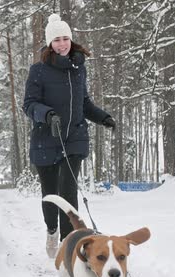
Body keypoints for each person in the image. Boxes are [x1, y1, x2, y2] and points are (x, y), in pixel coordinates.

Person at [23, 13, 116, 258]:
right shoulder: (39, 70)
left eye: (65, 38)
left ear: (71, 40)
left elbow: (84, 103)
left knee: (68, 189)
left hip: (74, 138)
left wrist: (102, 117)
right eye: (57, 40)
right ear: (50, 44)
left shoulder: (78, 69)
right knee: (50, 194)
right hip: (46, 139)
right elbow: (29, 104)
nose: (62, 44)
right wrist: (48, 115)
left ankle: (68, 242)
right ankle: (52, 229)